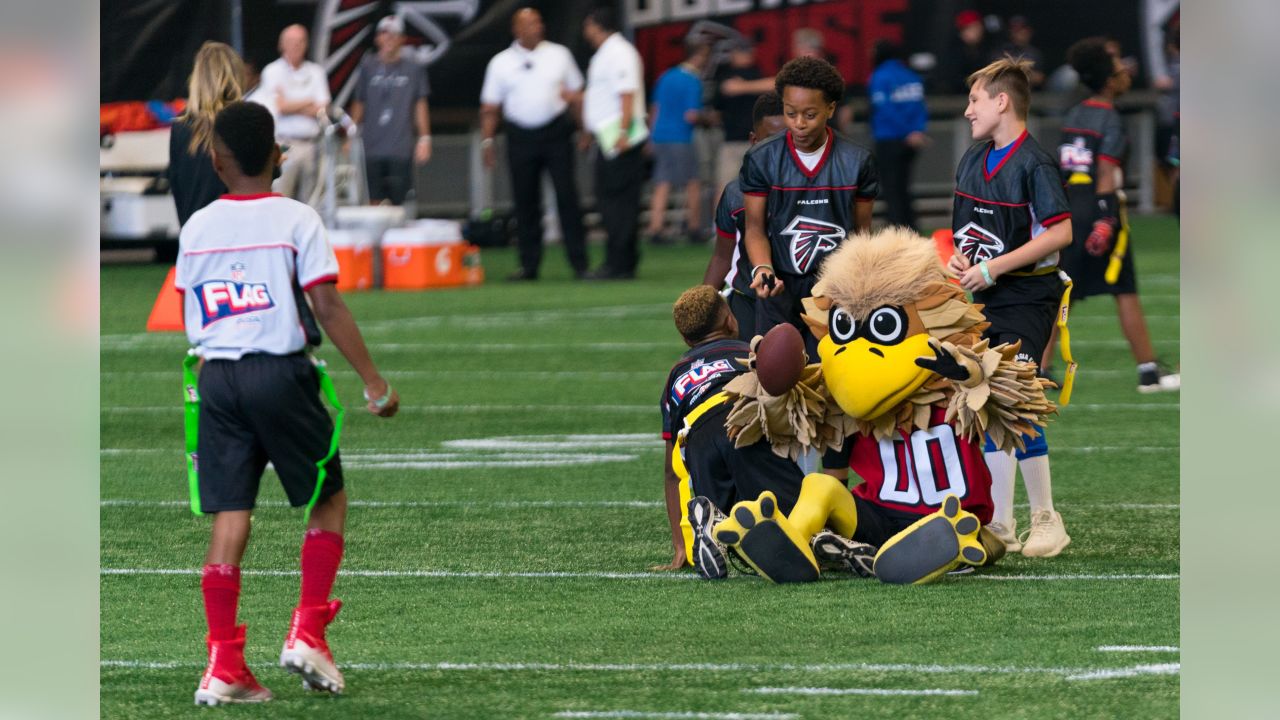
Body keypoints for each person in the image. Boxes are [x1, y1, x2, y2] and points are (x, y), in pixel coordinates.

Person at [177, 102, 400, 705]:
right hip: (280, 373)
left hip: (216, 378)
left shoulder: (196, 226)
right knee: (327, 495)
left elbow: (190, 313)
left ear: (218, 161)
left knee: (231, 513)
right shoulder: (296, 218)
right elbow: (324, 305)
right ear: (278, 155)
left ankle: (223, 664)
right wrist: (374, 382)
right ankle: (308, 629)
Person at [949, 57, 1072, 558]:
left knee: (1016, 398)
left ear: (1002, 102)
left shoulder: (1035, 163)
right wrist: (962, 263)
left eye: (975, 100)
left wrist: (993, 268)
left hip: (1028, 295)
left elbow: (1061, 233)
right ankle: (1001, 521)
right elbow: (965, 236)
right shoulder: (972, 160)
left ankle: (1046, 517)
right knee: (985, 400)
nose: (966, 111)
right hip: (986, 295)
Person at [1048, 38, 1179, 393]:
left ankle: (1038, 371)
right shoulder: (1110, 117)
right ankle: (1148, 372)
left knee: (1064, 292)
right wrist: (1105, 220)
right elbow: (1105, 173)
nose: (1125, 72)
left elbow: (1063, 167)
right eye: (1119, 67)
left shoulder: (1075, 113)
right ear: (1109, 80)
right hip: (1100, 209)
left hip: (1069, 207)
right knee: (1124, 289)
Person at [658, 285, 804, 579]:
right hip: (741, 423)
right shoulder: (749, 351)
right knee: (793, 516)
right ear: (730, 319)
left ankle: (711, 526)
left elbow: (672, 472)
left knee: (720, 512)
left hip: (697, 440)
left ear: (686, 338)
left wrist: (679, 547)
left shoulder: (677, 371)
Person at [739, 56, 879, 360]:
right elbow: (755, 229)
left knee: (832, 381)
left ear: (830, 109)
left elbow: (861, 235)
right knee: (775, 381)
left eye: (810, 114)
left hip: (834, 290)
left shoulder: (857, 161)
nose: (799, 124)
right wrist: (764, 269)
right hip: (777, 289)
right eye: (791, 113)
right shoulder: (761, 158)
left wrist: (853, 285)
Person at [479, 7, 588, 281]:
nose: (536, 27)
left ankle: (580, 262)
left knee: (567, 196)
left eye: (538, 22)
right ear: (516, 29)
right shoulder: (500, 62)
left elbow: (576, 95)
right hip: (520, 136)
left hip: (556, 132)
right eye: (528, 24)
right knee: (525, 201)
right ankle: (529, 265)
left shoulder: (559, 55)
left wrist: (583, 128)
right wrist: (487, 141)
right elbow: (490, 107)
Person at [702, 92, 785, 325]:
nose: (779, 149)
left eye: (786, 139)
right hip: (748, 302)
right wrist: (702, 309)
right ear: (754, 140)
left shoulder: (817, 191)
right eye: (770, 139)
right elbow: (721, 256)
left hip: (801, 299)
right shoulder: (736, 194)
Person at [581, 6, 648, 280]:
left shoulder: (619, 52)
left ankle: (618, 263)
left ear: (597, 25)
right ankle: (622, 260)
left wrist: (622, 132)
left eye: (587, 25)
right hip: (608, 139)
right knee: (614, 202)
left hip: (619, 140)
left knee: (616, 203)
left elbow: (626, 93)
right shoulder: (607, 53)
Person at [349, 15, 432, 206]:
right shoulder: (367, 66)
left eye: (394, 35)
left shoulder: (413, 68)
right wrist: (351, 134)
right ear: (378, 38)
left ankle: (399, 236)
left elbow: (419, 103)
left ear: (403, 39)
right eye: (384, 34)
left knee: (400, 202)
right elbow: (359, 101)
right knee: (373, 200)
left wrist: (425, 138)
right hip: (372, 145)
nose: (388, 39)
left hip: (400, 147)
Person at [168, 42, 244, 229]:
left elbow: (177, 187)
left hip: (194, 236)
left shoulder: (181, 125)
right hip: (233, 236)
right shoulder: (241, 120)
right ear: (233, 76)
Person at [644, 39, 711, 245]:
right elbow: (691, 115)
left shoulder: (665, 76)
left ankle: (655, 228)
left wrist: (651, 136)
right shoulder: (692, 80)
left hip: (660, 136)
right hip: (681, 137)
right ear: (698, 56)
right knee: (692, 182)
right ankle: (694, 227)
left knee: (662, 183)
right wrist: (709, 118)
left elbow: (654, 109)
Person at [260, 24, 330, 204]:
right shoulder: (271, 71)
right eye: (291, 41)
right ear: (281, 45)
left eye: (300, 41)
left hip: (311, 145)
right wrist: (308, 101)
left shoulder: (316, 72)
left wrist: (291, 103)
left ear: (306, 44)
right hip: (285, 145)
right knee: (282, 200)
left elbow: (322, 110)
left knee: (311, 203)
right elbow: (280, 107)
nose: (296, 46)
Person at [867, 40, 928, 231]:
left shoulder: (880, 76)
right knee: (904, 187)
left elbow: (884, 109)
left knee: (892, 189)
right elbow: (921, 108)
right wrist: (916, 131)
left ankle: (897, 231)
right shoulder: (912, 76)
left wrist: (905, 132)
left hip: (889, 139)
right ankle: (912, 229)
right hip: (913, 140)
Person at [711, 40, 774, 208]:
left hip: (756, 142)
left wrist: (743, 86)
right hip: (733, 140)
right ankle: (718, 228)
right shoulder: (726, 74)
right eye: (741, 52)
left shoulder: (757, 73)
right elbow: (727, 90)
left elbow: (775, 84)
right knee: (725, 186)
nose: (743, 56)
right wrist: (751, 87)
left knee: (761, 187)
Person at [941, 10, 991, 94]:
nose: (977, 31)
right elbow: (953, 80)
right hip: (958, 97)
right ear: (962, 31)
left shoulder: (986, 47)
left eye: (978, 27)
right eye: (972, 28)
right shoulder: (954, 50)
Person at [994, 16, 1045, 88]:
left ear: (1029, 31)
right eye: (1015, 30)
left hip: (1030, 92)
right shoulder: (1002, 52)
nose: (1020, 33)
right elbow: (997, 76)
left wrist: (1020, 74)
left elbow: (1040, 78)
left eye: (1022, 29)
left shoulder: (1035, 53)